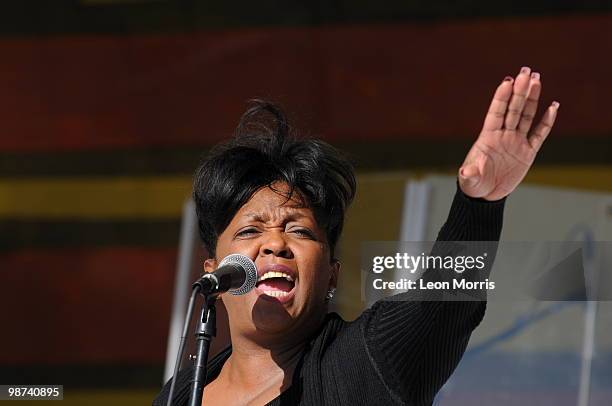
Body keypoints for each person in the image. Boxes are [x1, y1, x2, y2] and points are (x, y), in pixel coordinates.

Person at [153, 66, 559, 405]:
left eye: (297, 230)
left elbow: (441, 302)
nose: (275, 243)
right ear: (215, 275)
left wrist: (479, 204)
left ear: (331, 275)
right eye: (249, 230)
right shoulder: (183, 392)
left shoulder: (361, 364)